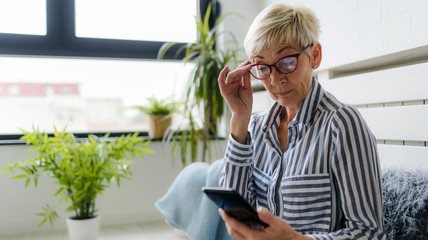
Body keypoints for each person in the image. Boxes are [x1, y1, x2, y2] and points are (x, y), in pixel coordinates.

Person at [217, 3, 386, 239]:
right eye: (263, 67)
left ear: (314, 55)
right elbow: (232, 213)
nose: (276, 80)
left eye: (286, 62)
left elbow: (370, 233)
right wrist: (239, 118)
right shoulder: (255, 127)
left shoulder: (342, 124)